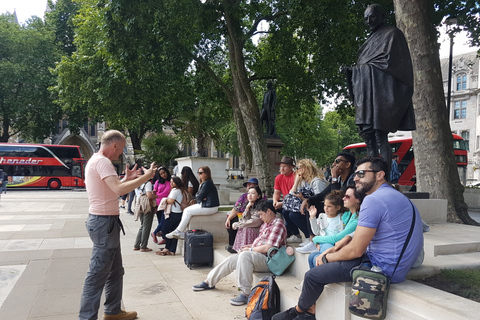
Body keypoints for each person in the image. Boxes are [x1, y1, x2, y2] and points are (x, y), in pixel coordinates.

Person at [273, 157, 423, 320]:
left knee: (313, 275)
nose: (355, 177)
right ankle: (309, 308)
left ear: (380, 175)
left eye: (361, 173)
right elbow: (358, 236)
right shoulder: (395, 196)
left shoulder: (373, 200)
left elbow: (356, 250)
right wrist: (338, 246)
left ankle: (300, 312)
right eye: (356, 173)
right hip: (396, 264)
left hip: (382, 269)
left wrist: (327, 257)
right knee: (326, 258)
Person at [79, 129, 156, 320]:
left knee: (115, 271)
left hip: (105, 223)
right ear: (114, 145)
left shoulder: (96, 161)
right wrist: (146, 177)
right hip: (104, 224)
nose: (120, 153)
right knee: (97, 275)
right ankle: (87, 317)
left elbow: (112, 189)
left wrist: (126, 179)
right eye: (121, 149)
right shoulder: (103, 162)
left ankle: (113, 310)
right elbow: (119, 190)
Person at [343, 4, 415, 173]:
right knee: (368, 137)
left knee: (380, 135)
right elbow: (365, 64)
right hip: (366, 94)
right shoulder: (369, 41)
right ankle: (372, 174)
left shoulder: (393, 34)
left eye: (372, 17)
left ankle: (384, 177)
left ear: (382, 16)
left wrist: (366, 68)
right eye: (366, 18)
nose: (369, 21)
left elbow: (395, 64)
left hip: (381, 94)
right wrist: (352, 71)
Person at [192, 200, 287, 306]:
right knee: (232, 259)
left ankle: (246, 293)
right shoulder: (266, 223)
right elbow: (262, 242)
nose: (260, 217)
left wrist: (250, 250)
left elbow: (268, 247)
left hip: (269, 261)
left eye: (261, 214)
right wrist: (250, 246)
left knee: (245, 255)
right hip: (258, 256)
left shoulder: (278, 224)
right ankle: (209, 281)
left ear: (269, 211)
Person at [307, 186, 362, 268]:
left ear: (358, 200)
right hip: (335, 245)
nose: (343, 199)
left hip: (345, 251)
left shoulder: (356, 219)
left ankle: (318, 278)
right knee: (311, 257)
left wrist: (316, 239)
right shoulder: (349, 214)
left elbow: (337, 238)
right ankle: (318, 279)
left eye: (347, 196)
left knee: (316, 258)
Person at [285, 159, 328, 253]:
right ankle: (307, 237)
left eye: (298, 168)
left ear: (306, 168)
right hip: (306, 205)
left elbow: (320, 199)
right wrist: (296, 182)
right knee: (286, 212)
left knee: (309, 207)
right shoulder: (303, 181)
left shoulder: (317, 181)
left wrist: (305, 200)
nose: (297, 170)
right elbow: (291, 195)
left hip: (319, 208)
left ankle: (312, 240)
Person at [166, 166, 219, 240]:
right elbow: (198, 195)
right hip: (206, 204)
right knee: (186, 210)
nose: (199, 174)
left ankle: (178, 231)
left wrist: (200, 197)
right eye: (198, 173)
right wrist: (200, 197)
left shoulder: (207, 183)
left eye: (200, 173)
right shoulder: (204, 183)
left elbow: (199, 197)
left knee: (188, 211)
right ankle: (179, 231)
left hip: (210, 206)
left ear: (206, 174)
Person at [225, 177, 265, 253]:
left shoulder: (261, 204)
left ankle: (244, 249)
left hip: (259, 227)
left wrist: (239, 224)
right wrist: (247, 208)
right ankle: (238, 248)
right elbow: (237, 209)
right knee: (236, 225)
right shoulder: (247, 200)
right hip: (248, 222)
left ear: (258, 195)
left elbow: (255, 221)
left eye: (252, 193)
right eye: (248, 185)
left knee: (246, 228)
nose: (249, 195)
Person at [299, 190, 345, 256]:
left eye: (329, 206)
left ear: (338, 207)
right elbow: (316, 232)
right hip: (324, 242)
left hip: (336, 243)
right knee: (311, 257)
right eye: (325, 205)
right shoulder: (322, 216)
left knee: (319, 255)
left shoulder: (342, 217)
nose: (326, 208)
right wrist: (313, 217)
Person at [157, 176, 187, 256]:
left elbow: (170, 201)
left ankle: (167, 247)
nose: (171, 183)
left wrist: (165, 199)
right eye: (170, 182)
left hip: (173, 213)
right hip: (179, 213)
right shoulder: (181, 190)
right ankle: (172, 250)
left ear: (177, 182)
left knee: (164, 229)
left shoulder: (175, 190)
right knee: (174, 232)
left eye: (173, 182)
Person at [272, 156, 299, 243]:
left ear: (291, 168)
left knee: (286, 211)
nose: (281, 168)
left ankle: (296, 234)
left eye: (284, 166)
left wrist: (282, 203)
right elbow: (276, 193)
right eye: (280, 166)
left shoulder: (295, 177)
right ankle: (272, 230)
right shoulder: (278, 178)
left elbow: (295, 196)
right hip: (284, 202)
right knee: (267, 205)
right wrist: (275, 201)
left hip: (295, 203)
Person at [133, 175, 157, 252]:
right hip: (147, 206)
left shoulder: (137, 184)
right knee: (147, 226)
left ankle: (137, 245)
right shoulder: (148, 183)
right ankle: (143, 246)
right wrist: (156, 196)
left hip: (139, 205)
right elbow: (149, 195)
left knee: (142, 225)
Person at [151, 167, 171, 244]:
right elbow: (154, 192)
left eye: (164, 172)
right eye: (161, 174)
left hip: (167, 204)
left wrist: (158, 195)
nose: (163, 175)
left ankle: (154, 233)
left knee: (164, 222)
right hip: (158, 204)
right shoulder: (158, 182)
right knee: (160, 222)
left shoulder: (171, 181)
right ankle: (163, 238)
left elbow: (168, 193)